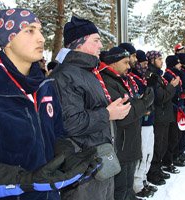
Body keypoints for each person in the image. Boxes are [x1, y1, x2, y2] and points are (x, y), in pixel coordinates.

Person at [0, 9, 100, 200]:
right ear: (8, 40)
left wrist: (66, 156)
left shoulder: (45, 86)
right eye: (30, 30)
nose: (41, 38)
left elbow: (57, 133)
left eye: (40, 30)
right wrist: (25, 180)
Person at [50, 16, 131, 200]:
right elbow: (70, 123)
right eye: (96, 40)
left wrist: (111, 110)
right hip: (82, 170)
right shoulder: (65, 76)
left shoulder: (87, 72)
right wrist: (108, 114)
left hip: (99, 161)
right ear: (79, 43)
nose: (100, 45)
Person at [100, 47, 154, 200]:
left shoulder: (120, 79)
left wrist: (141, 102)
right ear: (113, 63)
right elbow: (124, 114)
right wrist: (144, 103)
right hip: (121, 145)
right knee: (120, 187)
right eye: (125, 62)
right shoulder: (108, 82)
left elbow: (131, 103)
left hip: (130, 142)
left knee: (127, 186)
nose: (129, 66)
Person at [146, 50, 179, 186]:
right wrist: (172, 86)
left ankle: (158, 169)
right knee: (158, 146)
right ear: (152, 61)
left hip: (165, 116)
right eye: (159, 59)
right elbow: (161, 97)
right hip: (159, 116)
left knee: (163, 144)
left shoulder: (158, 75)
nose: (161, 61)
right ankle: (153, 173)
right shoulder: (152, 76)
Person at [129, 49, 157, 198]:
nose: (145, 66)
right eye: (143, 63)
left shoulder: (143, 77)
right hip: (141, 122)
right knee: (142, 152)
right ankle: (137, 185)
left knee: (148, 153)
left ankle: (143, 179)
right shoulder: (134, 78)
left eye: (147, 63)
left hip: (149, 120)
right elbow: (140, 99)